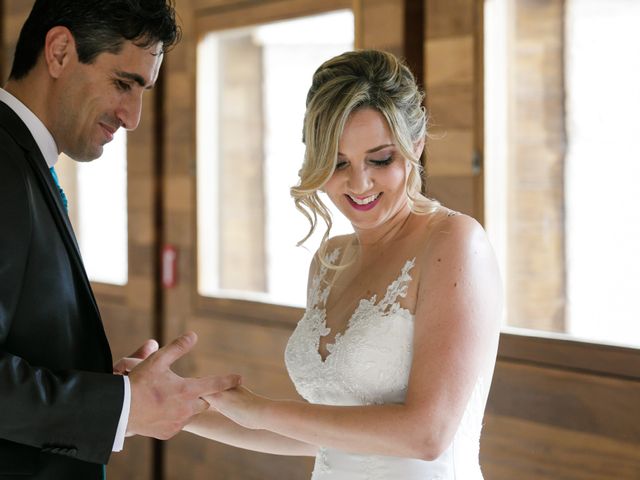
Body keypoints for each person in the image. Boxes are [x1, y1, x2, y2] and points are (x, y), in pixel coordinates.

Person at [184, 49, 502, 479]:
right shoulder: (330, 260)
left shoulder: (455, 242)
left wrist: (261, 409)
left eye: (380, 159)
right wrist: (179, 411)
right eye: (337, 163)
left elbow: (427, 435)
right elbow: (326, 435)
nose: (359, 183)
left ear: (416, 148)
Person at [0, 1, 239, 478]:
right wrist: (121, 409)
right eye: (123, 83)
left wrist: (109, 387)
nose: (133, 117)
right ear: (61, 51)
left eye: (143, 90)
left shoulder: (23, 159)